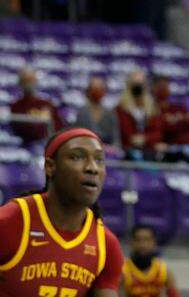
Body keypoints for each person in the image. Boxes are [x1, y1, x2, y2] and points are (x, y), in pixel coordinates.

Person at [0, 127, 124, 296]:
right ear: (50, 166)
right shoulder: (10, 221)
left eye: (99, 160)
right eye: (77, 157)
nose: (92, 168)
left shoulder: (106, 245)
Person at [145, 77, 189, 162]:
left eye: (166, 86)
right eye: (161, 86)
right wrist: (181, 120)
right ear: (153, 88)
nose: (164, 89)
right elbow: (162, 129)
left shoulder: (178, 108)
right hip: (171, 150)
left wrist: (179, 119)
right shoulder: (151, 110)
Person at [123, 224, 181, 297]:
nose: (142, 245)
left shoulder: (164, 271)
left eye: (147, 240)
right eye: (138, 240)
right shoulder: (123, 271)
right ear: (131, 243)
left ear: (154, 242)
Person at [9, 67, 63, 144]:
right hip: (25, 144)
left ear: (36, 82)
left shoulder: (46, 104)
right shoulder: (16, 106)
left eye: (31, 81)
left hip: (46, 143)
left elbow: (58, 126)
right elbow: (16, 129)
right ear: (20, 83)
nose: (28, 84)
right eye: (25, 81)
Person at [116, 70, 157, 160]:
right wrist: (135, 139)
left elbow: (157, 131)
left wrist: (145, 139)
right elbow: (125, 133)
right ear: (129, 84)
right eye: (135, 83)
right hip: (128, 151)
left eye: (141, 83)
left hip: (149, 151)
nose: (138, 86)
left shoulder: (152, 107)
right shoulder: (121, 108)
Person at [74, 76, 120, 149]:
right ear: (88, 91)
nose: (97, 91)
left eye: (100, 88)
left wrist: (112, 149)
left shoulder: (110, 114)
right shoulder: (82, 113)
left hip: (108, 153)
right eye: (94, 88)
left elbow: (116, 139)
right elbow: (77, 136)